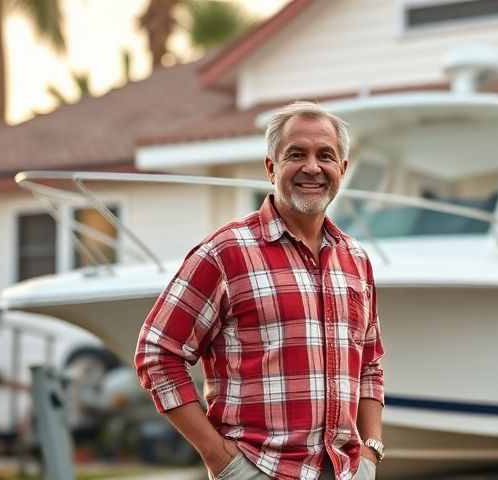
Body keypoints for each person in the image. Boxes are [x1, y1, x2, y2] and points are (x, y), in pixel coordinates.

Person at [134, 101, 385, 480]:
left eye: (326, 156)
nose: (312, 167)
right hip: (259, 470)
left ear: (342, 170)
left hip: (345, 472)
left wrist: (370, 451)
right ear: (271, 167)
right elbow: (157, 352)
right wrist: (219, 457)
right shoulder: (225, 253)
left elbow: (370, 363)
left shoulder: (355, 260)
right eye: (296, 154)